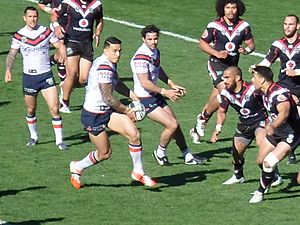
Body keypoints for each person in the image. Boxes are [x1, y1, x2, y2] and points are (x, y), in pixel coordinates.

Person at [69, 37, 156, 189]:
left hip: (107, 112)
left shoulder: (110, 64)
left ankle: (138, 171)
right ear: (105, 50)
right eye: (114, 51)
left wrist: (132, 95)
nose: (118, 54)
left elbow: (116, 82)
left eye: (120, 51)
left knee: (134, 135)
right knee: (104, 153)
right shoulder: (103, 67)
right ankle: (77, 166)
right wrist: (128, 110)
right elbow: (108, 98)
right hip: (93, 116)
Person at [130, 24, 207, 166]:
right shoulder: (141, 57)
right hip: (144, 99)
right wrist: (165, 92)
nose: (153, 42)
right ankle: (159, 152)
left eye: (155, 39)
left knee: (175, 125)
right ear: (143, 39)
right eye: (150, 39)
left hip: (154, 95)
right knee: (172, 125)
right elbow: (144, 82)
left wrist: (171, 83)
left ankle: (187, 155)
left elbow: (157, 69)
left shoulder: (154, 51)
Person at [189, 0, 255, 144]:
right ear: (222, 9)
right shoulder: (214, 26)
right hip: (216, 64)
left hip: (231, 67)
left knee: (216, 99)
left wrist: (247, 50)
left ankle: (197, 127)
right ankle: (203, 118)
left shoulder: (244, 26)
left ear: (238, 9)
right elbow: (202, 42)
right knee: (225, 93)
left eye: (233, 8)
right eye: (227, 7)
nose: (230, 11)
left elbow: (251, 44)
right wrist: (216, 53)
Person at [5, 6, 67, 150]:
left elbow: (59, 45)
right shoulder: (19, 36)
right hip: (29, 77)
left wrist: (63, 53)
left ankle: (59, 141)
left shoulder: (45, 32)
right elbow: (12, 54)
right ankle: (34, 137)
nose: (32, 19)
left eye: (35, 16)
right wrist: (8, 70)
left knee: (54, 108)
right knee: (31, 109)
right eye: (30, 17)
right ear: (24, 18)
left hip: (45, 76)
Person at [210, 66, 282, 187]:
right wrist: (218, 128)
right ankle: (238, 176)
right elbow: (222, 111)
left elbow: (269, 95)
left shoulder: (253, 89)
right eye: (223, 78)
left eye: (227, 77)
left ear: (237, 77)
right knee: (236, 154)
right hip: (244, 125)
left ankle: (274, 175)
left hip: (260, 122)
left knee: (262, 144)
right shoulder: (225, 93)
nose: (224, 81)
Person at [249, 65, 300, 203]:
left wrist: (273, 125)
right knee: (260, 160)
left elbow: (284, 113)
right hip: (277, 132)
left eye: (254, 77)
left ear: (262, 80)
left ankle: (260, 192)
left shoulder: (279, 94)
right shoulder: (264, 91)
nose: (252, 80)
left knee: (268, 162)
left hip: (291, 133)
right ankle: (272, 178)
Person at [258, 14, 300, 164]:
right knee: (282, 119)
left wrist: (297, 72)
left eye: (290, 24)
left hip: (299, 90)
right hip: (283, 88)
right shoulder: (278, 44)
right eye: (285, 24)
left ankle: (290, 149)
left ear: (298, 26)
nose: (287, 27)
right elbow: (267, 61)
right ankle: (286, 150)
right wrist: (257, 69)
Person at [51, 0, 104, 113]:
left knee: (84, 78)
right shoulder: (69, 3)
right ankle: (64, 102)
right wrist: (56, 27)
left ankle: (65, 87)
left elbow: (99, 20)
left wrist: (98, 32)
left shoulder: (96, 5)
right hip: (71, 41)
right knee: (72, 73)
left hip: (87, 44)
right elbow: (55, 15)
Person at [38, 0, 67, 100]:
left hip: (73, 27)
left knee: (64, 53)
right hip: (58, 27)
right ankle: (63, 82)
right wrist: (50, 10)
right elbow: (41, 4)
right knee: (63, 52)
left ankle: (50, 61)